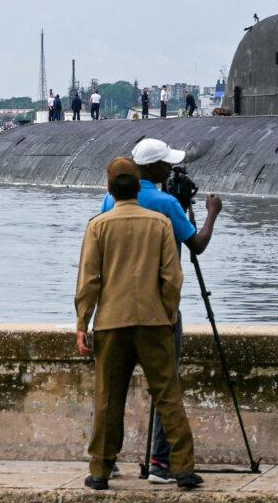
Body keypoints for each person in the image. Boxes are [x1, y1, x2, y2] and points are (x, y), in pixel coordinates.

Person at [98, 139, 222, 484]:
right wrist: (211, 212)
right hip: (159, 312)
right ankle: (161, 463)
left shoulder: (112, 200)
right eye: (165, 164)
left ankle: (106, 462)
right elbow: (196, 245)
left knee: (112, 392)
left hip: (115, 310)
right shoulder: (167, 204)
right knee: (167, 389)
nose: (170, 169)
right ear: (152, 169)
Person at [75, 157, 202, 491]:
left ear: (109, 188)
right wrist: (168, 313)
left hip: (111, 323)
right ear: (138, 184)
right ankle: (183, 468)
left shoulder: (98, 225)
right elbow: (172, 278)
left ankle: (100, 470)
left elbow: (89, 280)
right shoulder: (160, 223)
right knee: (168, 395)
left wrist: (81, 324)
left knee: (108, 399)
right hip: (154, 322)